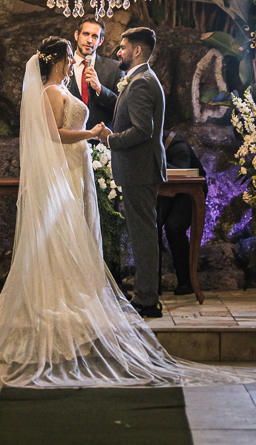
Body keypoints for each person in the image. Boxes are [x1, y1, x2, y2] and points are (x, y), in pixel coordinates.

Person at [0, 35, 256, 389]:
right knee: (62, 229)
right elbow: (52, 134)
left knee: (78, 228)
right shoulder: (48, 93)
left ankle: (80, 292)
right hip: (63, 165)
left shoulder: (63, 90)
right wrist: (93, 134)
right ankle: (57, 296)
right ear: (58, 61)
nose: (71, 63)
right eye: (67, 58)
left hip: (78, 166)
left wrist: (94, 135)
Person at [97, 26, 166, 319]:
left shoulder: (141, 82)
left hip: (139, 168)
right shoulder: (138, 79)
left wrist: (110, 139)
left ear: (137, 50)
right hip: (138, 168)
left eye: (123, 47)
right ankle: (146, 294)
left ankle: (148, 299)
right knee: (143, 233)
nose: (118, 52)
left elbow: (142, 130)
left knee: (144, 235)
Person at [158, 128, 206, 298]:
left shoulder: (177, 145)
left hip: (190, 191)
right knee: (152, 225)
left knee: (174, 227)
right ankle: (153, 284)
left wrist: (156, 161)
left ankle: (186, 282)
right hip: (163, 189)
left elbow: (182, 173)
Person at [66, 17, 121, 130]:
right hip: (69, 139)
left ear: (101, 41)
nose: (89, 40)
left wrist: (100, 89)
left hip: (102, 143)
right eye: (86, 34)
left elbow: (122, 109)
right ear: (77, 35)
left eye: (95, 36)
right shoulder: (63, 67)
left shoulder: (115, 68)